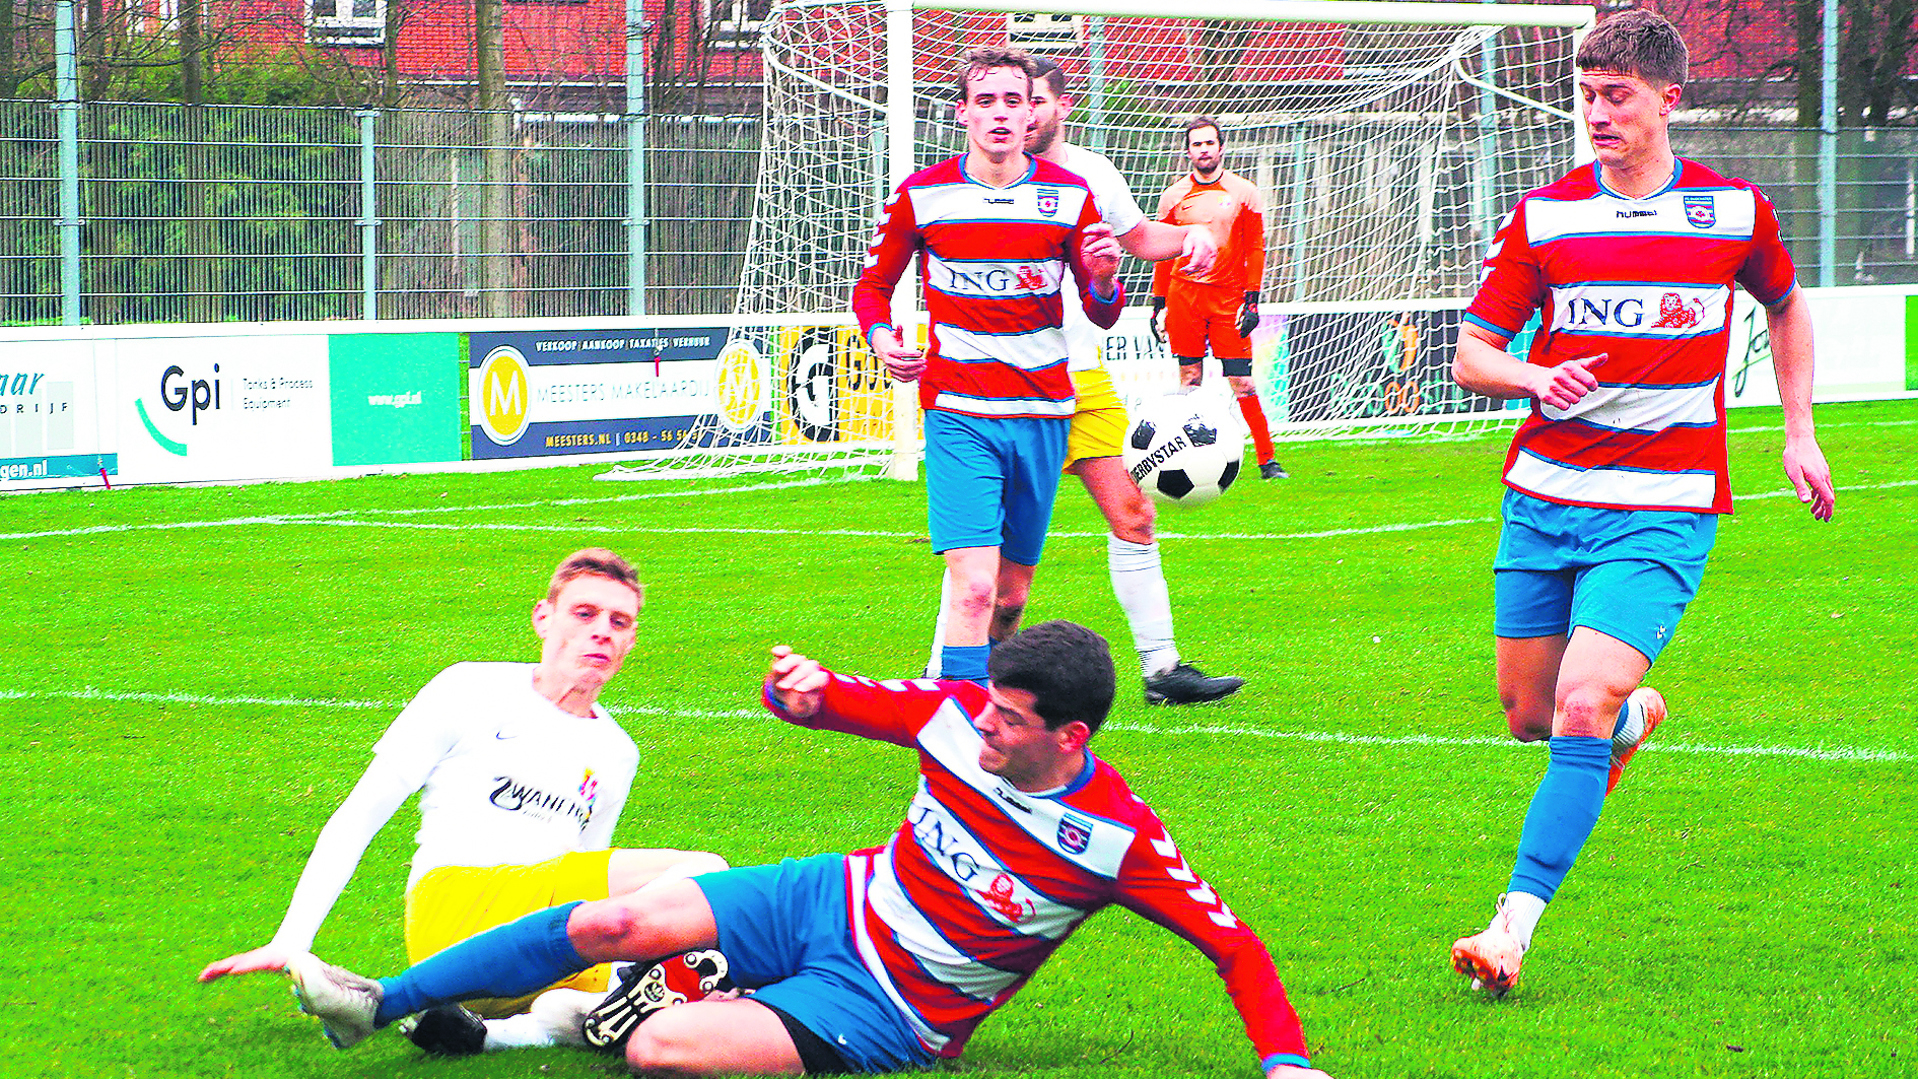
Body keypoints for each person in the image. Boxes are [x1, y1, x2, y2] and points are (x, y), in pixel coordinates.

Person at [272, 621, 1334, 1079]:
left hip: (896, 1005)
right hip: (835, 897)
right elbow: (838, 705)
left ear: (1071, 737)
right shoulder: (960, 714)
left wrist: (1285, 1060)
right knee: (614, 920)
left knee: (658, 1050)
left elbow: (1233, 945)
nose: (986, 726)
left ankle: (608, 1013)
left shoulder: (1118, 839)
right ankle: (382, 1002)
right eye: (990, 707)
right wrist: (805, 691)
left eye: (1011, 719)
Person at [1446, 8, 1836, 997]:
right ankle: (1628, 724)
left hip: (1664, 503)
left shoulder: (1733, 212)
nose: (1596, 113)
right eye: (1585, 95)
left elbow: (1785, 305)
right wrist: (1532, 380)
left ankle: (1510, 928)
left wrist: (1798, 430)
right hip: (1544, 498)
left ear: (1669, 98)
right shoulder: (1544, 215)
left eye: (1615, 95)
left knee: (1579, 697)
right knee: (1530, 713)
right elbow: (1472, 356)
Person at [197, 548, 729, 1053]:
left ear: (632, 639)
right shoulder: (468, 690)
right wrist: (291, 938)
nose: (601, 632)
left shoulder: (617, 751)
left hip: (538, 949)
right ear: (543, 618)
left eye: (619, 622)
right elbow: (358, 817)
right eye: (584, 613)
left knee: (702, 975)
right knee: (702, 872)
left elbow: (594, 868)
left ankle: (508, 1033)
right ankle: (581, 1012)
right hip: (452, 918)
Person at [924, 57, 1243, 706]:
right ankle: (940, 683)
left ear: (1060, 106)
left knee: (1134, 514)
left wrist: (1191, 238)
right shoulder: (976, 183)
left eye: (1034, 101)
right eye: (1011, 101)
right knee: (982, 558)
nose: (1022, 113)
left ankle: (1163, 670)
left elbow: (1140, 236)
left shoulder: (1094, 173)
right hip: (1000, 385)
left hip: (1083, 378)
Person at [853, 46, 1124, 687]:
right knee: (973, 588)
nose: (1000, 114)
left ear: (1033, 111)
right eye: (985, 101)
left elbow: (1103, 312)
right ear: (963, 114)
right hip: (959, 412)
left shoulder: (1071, 195)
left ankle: (982, 699)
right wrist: (883, 337)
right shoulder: (923, 195)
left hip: (1044, 413)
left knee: (1008, 601)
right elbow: (872, 289)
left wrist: (1107, 277)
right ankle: (958, 741)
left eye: (1013, 100)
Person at [1150, 117, 1286, 480]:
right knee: (1189, 378)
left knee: (1242, 381)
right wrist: (1158, 305)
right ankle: (1185, 459)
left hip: (1228, 299)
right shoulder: (1174, 196)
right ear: (1188, 152)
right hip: (1184, 297)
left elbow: (1255, 248)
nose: (1204, 150)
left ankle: (1267, 460)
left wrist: (1253, 299)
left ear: (1221, 147)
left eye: (1210, 143)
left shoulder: (1245, 193)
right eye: (1197, 144)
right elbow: (1164, 252)